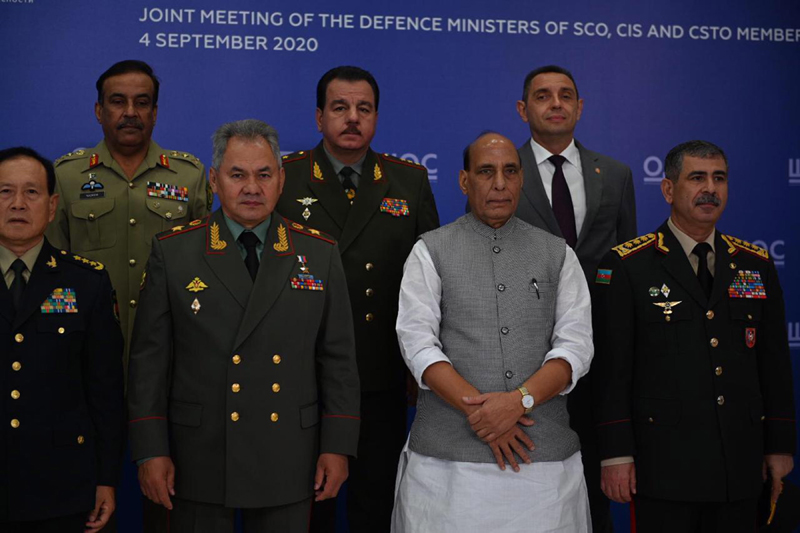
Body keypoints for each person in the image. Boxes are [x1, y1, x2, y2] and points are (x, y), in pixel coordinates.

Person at [127, 119, 360, 532]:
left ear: (281, 180)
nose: (252, 187)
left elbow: (338, 359)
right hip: (197, 455)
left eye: (264, 174)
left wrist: (338, 447)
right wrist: (150, 450)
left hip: (287, 452)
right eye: (238, 175)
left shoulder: (318, 252)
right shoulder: (175, 252)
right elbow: (149, 363)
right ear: (214, 180)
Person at [392, 132, 593, 533]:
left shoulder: (557, 253)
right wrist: (483, 414)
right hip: (446, 475)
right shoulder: (430, 250)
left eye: (510, 171)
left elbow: (576, 347)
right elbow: (417, 343)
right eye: (486, 172)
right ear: (465, 181)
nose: (499, 183)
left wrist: (518, 402)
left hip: (545, 472)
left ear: (522, 179)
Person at [592, 140, 795, 532]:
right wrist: (615, 454)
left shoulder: (755, 265)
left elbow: (774, 364)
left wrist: (780, 443)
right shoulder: (628, 266)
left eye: (719, 178)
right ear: (669, 189)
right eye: (697, 177)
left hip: (739, 464)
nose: (710, 189)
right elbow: (612, 370)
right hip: (664, 467)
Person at [276, 65, 439, 532]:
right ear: (318, 116)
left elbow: (430, 281)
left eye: (363, 109)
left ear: (376, 117)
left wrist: (419, 363)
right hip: (301, 371)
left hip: (380, 370)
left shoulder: (408, 181)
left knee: (374, 500)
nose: (352, 118)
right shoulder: (285, 178)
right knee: (309, 504)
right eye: (340, 108)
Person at [514, 64, 637, 532]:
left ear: (580, 107)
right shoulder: (502, 171)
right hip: (524, 354)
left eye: (566, 95)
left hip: (599, 351)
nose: (556, 103)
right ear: (524, 110)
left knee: (593, 481)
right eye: (543, 96)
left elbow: (629, 264)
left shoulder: (617, 174)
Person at [46, 59, 210, 366]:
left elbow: (204, 266)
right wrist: (61, 341)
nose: (130, 112)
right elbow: (52, 268)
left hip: (170, 346)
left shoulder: (189, 175)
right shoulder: (67, 176)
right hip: (86, 345)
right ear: (99, 111)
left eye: (142, 103)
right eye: (118, 102)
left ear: (155, 113)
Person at [0, 147, 123, 532]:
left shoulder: (86, 282)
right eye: (5, 192)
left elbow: (105, 390)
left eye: (32, 192)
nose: (18, 204)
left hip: (64, 489)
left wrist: (106, 478)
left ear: (53, 206)